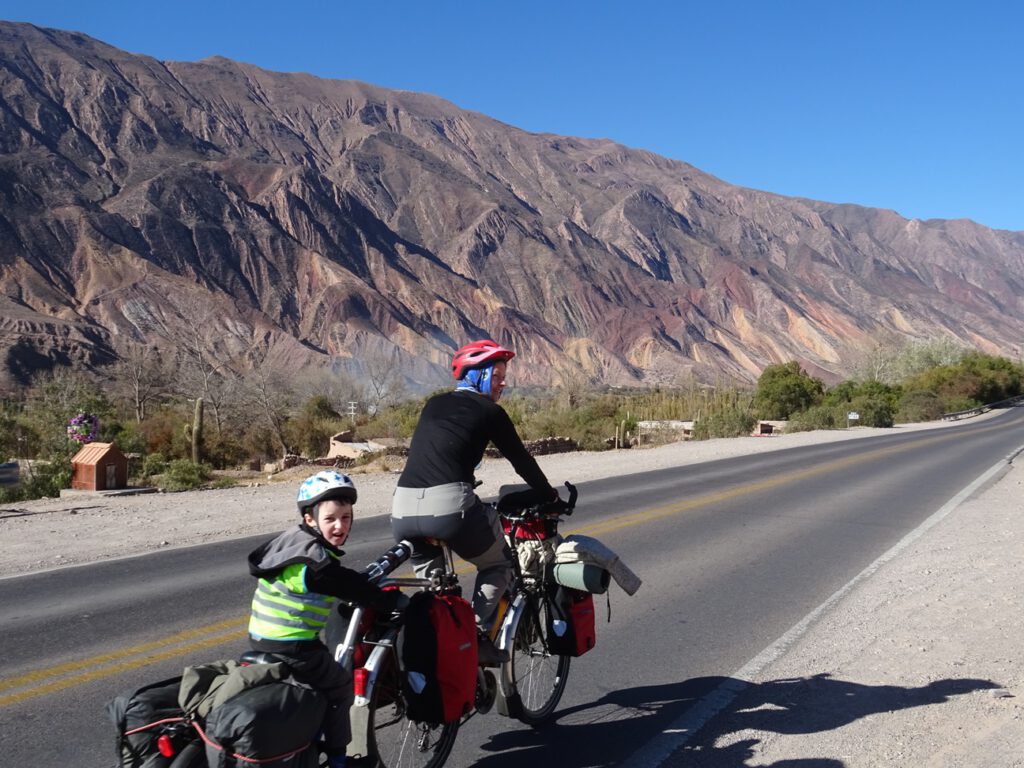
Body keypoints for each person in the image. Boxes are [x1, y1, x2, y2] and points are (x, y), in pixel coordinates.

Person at [391, 339, 559, 666]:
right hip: (451, 509)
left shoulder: (432, 404)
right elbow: (521, 461)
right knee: (499, 564)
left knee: (435, 591)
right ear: (477, 375)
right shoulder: (490, 411)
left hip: (402, 509)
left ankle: (439, 653)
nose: (503, 382)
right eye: (496, 375)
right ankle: (479, 638)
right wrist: (549, 495)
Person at [248, 470, 401, 768]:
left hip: (260, 639)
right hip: (293, 646)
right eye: (330, 519)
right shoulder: (313, 562)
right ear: (310, 519)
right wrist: (386, 601)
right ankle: (338, 757)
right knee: (340, 686)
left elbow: (339, 580)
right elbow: (341, 583)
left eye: (346, 517)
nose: (340, 526)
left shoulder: (291, 542)